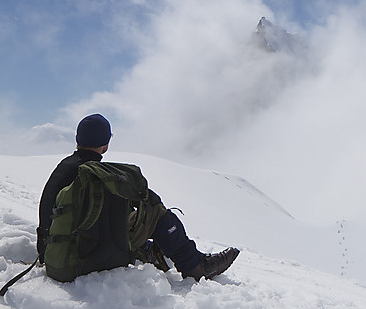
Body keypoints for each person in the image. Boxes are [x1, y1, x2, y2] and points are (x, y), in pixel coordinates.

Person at [37, 114, 239, 281]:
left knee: (126, 215)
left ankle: (151, 252)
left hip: (53, 254)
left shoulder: (64, 167)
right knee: (155, 211)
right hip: (81, 260)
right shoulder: (95, 175)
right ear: (105, 143)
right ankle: (196, 265)